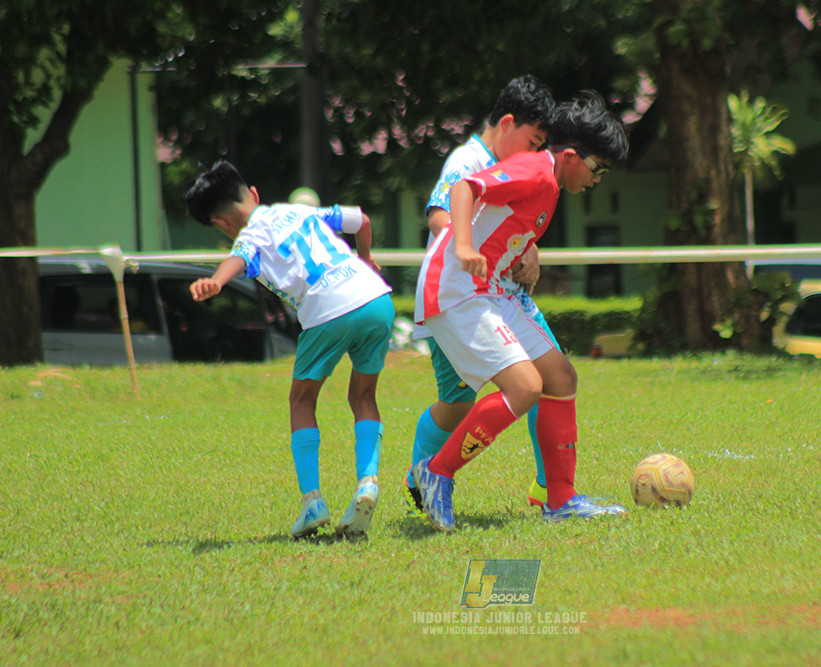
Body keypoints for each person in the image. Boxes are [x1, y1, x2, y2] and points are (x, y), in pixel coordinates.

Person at [411, 91, 630, 533]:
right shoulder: (535, 169)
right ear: (571, 156)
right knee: (526, 387)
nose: (597, 179)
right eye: (598, 169)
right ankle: (437, 471)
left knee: (561, 377)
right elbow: (464, 187)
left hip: (492, 291)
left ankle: (561, 499)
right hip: (458, 290)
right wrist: (466, 247)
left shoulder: (549, 183)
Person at [185, 160, 394, 538]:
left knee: (302, 400)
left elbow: (240, 257)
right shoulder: (298, 209)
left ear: (220, 223)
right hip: (375, 297)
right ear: (253, 194)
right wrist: (365, 257)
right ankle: (368, 481)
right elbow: (361, 220)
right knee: (363, 395)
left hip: (329, 309)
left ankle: (312, 501)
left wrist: (216, 281)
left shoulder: (249, 235)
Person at [406, 75, 559, 517]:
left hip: (504, 297)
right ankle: (423, 472)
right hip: (462, 299)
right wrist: (470, 252)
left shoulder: (514, 164)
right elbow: (441, 219)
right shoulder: (467, 160)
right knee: (457, 402)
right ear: (507, 123)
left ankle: (551, 488)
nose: (534, 154)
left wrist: (527, 247)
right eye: (532, 142)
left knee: (552, 377)